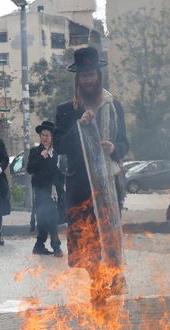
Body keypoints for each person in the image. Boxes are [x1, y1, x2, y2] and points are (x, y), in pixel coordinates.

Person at [53, 46, 130, 299]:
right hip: (79, 188)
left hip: (108, 184)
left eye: (91, 74)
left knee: (106, 240)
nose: (88, 79)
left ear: (98, 75)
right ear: (78, 79)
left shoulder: (113, 106)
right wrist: (79, 126)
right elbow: (59, 145)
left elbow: (125, 143)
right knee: (86, 245)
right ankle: (97, 283)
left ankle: (103, 285)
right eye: (83, 75)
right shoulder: (66, 109)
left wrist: (114, 146)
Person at [25, 121, 63, 256]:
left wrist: (57, 184)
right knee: (47, 217)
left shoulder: (57, 153)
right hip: (41, 189)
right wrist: (41, 157)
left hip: (54, 191)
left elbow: (59, 172)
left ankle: (39, 245)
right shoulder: (36, 151)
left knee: (49, 217)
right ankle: (56, 246)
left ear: (52, 137)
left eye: (47, 135)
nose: (44, 138)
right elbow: (30, 169)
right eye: (42, 135)